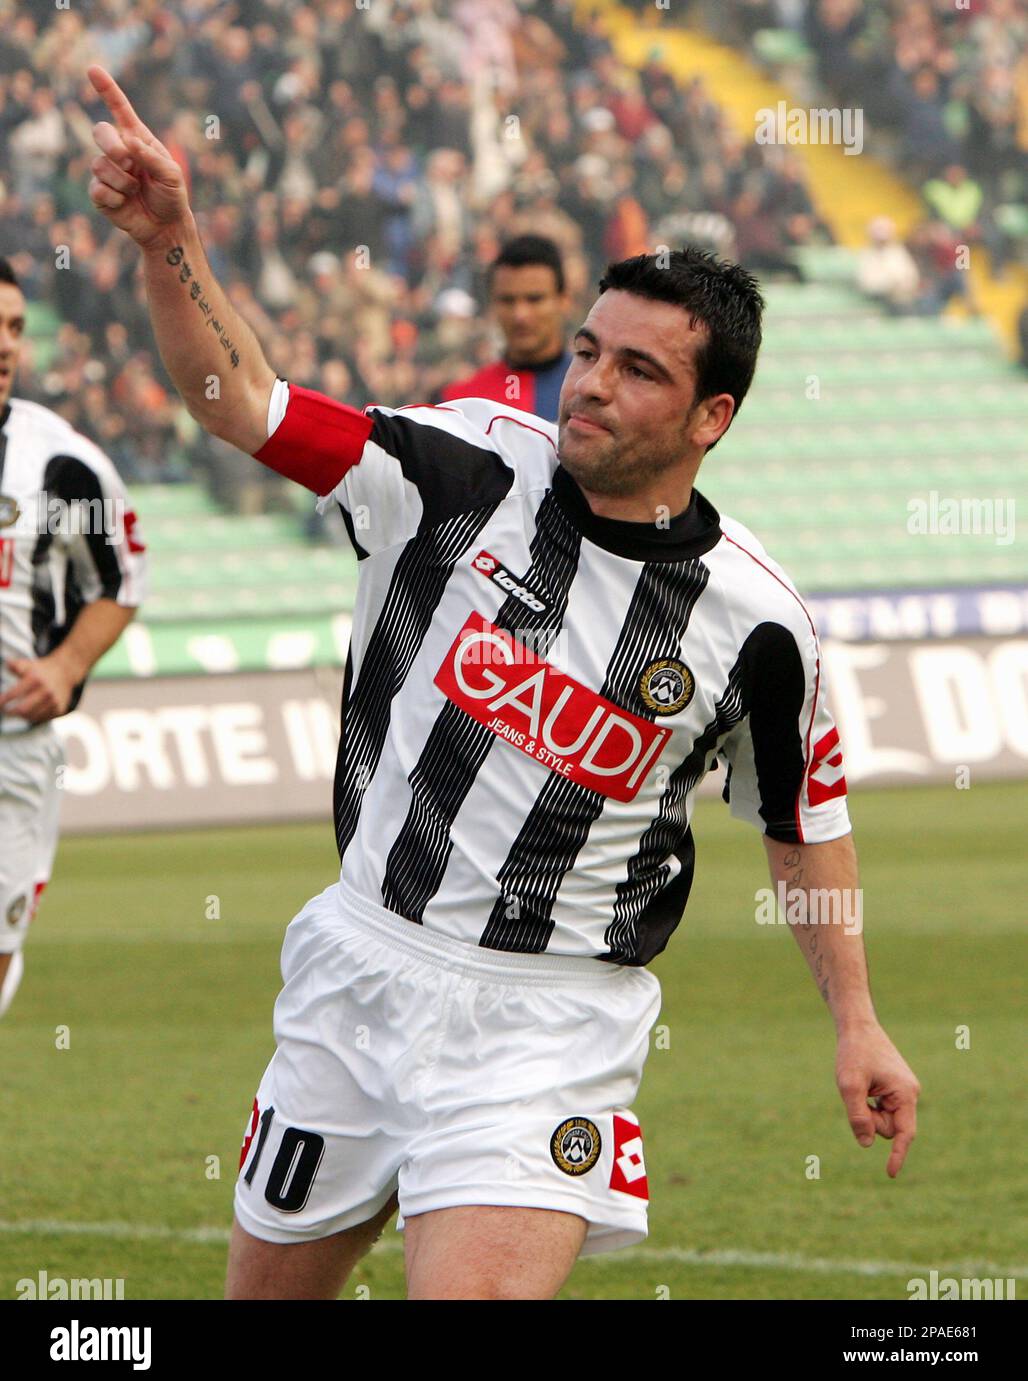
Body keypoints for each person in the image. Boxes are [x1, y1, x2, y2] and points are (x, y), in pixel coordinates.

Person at [86, 65, 921, 1302]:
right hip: (361, 966)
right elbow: (245, 406)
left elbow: (804, 826)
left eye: (638, 370)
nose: (588, 382)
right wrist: (172, 244)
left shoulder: (758, 626)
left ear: (713, 415)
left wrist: (855, 1018)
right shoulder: (458, 469)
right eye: (587, 350)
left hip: (549, 1023)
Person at [0, 255, 147, 1017]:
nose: (5, 345)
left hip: (11, 749)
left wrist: (65, 666)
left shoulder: (61, 465)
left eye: (16, 327)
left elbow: (121, 581)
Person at [438, 235, 573, 422]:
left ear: (564, 300)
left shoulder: (593, 394)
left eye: (534, 299)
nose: (520, 314)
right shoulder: (460, 404)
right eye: (507, 300)